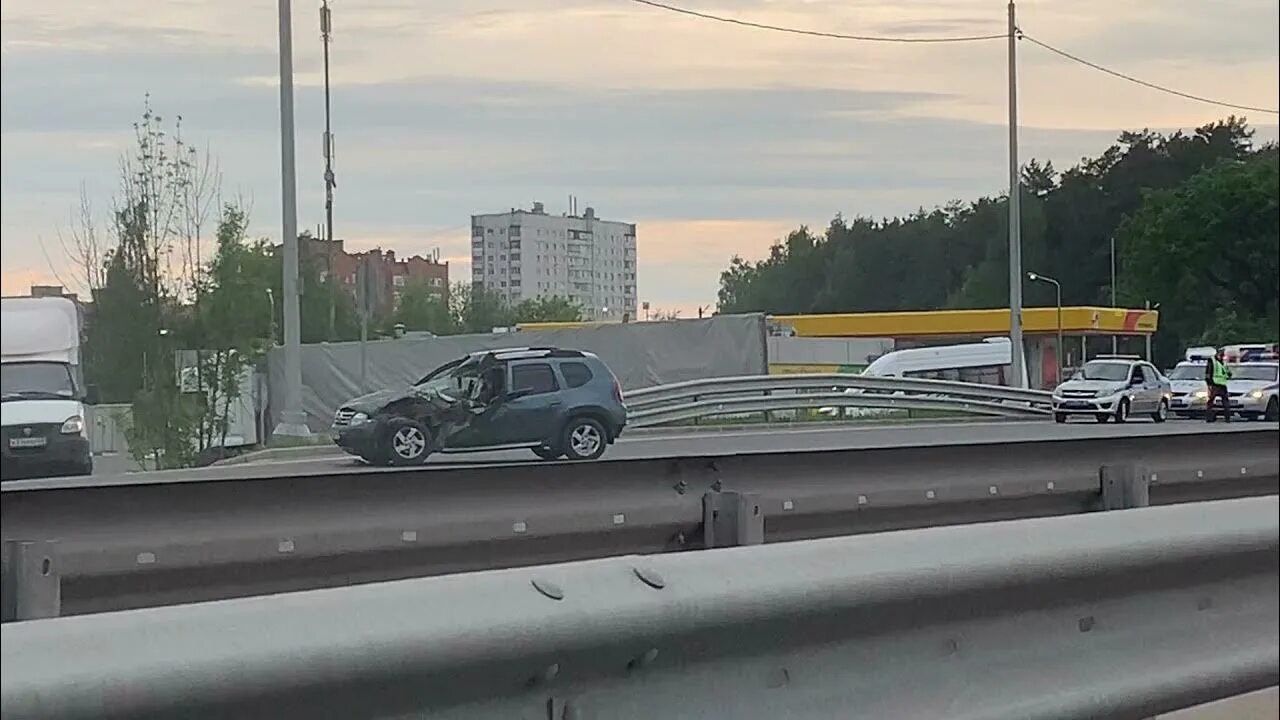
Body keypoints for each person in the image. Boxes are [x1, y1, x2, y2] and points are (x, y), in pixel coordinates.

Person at [1204, 349, 1232, 423]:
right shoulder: (1214, 361)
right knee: (1215, 402)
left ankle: (1226, 418)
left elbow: (1228, 372)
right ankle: (1211, 418)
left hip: (1219, 384)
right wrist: (1209, 382)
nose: (1222, 356)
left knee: (1215, 402)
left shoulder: (1222, 362)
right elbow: (1208, 371)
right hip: (1216, 384)